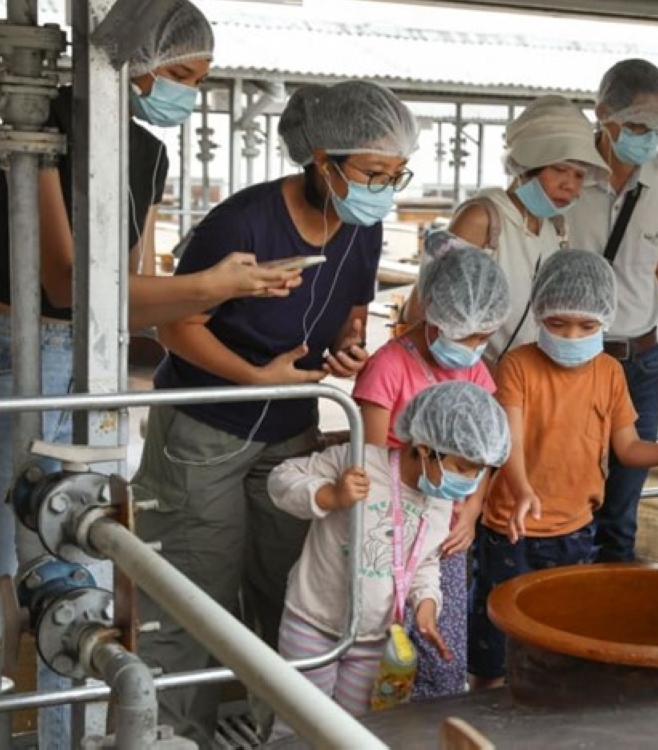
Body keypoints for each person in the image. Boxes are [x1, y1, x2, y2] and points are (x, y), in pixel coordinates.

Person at [130, 80, 419, 746]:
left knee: (290, 588)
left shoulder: (363, 227)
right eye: (372, 173)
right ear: (322, 159)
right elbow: (176, 327)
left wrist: (348, 347)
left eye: (395, 175)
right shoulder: (243, 222)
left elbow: (351, 313)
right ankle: (176, 736)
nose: (382, 189)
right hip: (206, 428)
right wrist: (256, 377)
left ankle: (283, 734)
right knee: (192, 596)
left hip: (291, 432)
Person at [0, 0, 302, 579]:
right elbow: (64, 282)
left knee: (83, 540)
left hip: (99, 353)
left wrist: (228, 290)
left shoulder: (149, 153)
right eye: (179, 75)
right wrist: (208, 285)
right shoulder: (41, 118)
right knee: (13, 543)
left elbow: (134, 291)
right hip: (23, 345)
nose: (186, 94)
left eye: (198, 81)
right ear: (131, 58)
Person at [468, 250, 658, 688]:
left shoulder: (609, 373)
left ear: (605, 319)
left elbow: (629, 448)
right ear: (538, 313)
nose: (572, 336)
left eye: (586, 326)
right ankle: (482, 710)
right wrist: (522, 489)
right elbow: (508, 442)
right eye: (558, 323)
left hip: (576, 530)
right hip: (511, 530)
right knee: (495, 648)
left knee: (561, 645)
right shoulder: (517, 366)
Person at [267, 381, 510, 731]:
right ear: (425, 448)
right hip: (313, 623)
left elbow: (424, 561)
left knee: (357, 728)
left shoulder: (440, 499)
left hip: (375, 640)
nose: (470, 481)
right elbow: (280, 479)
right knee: (296, 723)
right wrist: (329, 495)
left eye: (479, 471)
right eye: (463, 467)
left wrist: (426, 605)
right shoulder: (358, 461)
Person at [352, 241, 510, 699]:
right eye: (466, 336)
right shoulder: (388, 367)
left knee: (440, 643)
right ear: (435, 314)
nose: (474, 348)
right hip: (388, 530)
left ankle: (431, 719)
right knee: (381, 645)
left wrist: (472, 508)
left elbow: (485, 452)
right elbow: (373, 459)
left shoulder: (475, 372)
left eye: (483, 338)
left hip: (447, 532)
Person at [567, 58, 658, 563]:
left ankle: (610, 592)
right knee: (566, 488)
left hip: (639, 358)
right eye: (639, 126)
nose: (649, 139)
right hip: (571, 356)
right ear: (604, 115)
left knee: (622, 503)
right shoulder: (568, 177)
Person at [404, 95, 608, 364]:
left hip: (526, 377)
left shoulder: (555, 229)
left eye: (579, 175)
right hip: (472, 372)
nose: (569, 184)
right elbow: (421, 309)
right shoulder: (483, 218)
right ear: (526, 165)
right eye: (560, 169)